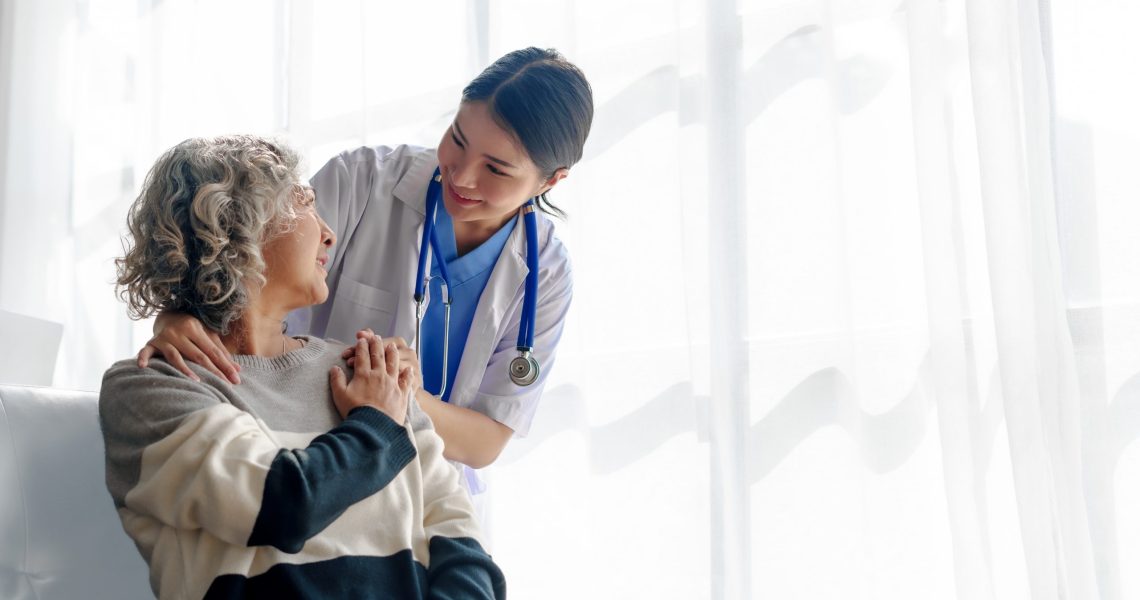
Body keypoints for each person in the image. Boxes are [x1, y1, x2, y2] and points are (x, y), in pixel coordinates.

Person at [137, 47, 594, 480]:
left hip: (422, 479)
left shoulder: (545, 275)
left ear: (551, 180)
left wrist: (399, 397)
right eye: (457, 138)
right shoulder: (361, 181)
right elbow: (247, 265)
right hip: (303, 448)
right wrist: (176, 315)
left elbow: (487, 439)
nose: (461, 174)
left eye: (496, 169)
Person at [100, 135, 506, 599]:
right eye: (305, 204)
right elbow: (281, 503)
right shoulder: (153, 388)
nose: (329, 232)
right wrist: (375, 424)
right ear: (235, 227)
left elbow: (458, 536)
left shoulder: (365, 371)